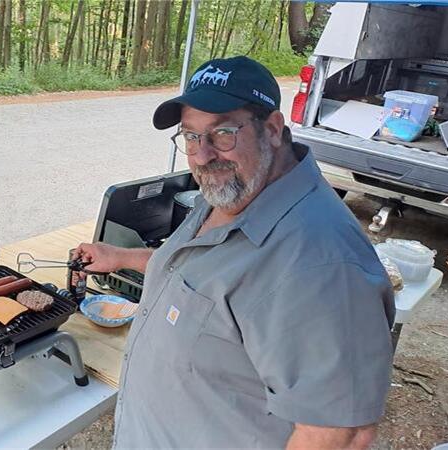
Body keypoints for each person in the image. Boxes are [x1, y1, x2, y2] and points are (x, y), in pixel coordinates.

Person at [73, 56, 395, 449]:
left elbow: (341, 433)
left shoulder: (320, 264)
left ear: (273, 129)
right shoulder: (236, 192)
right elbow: (201, 276)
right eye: (190, 136)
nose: (202, 155)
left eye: (222, 133)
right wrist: (122, 257)